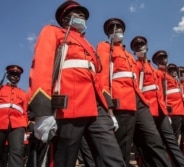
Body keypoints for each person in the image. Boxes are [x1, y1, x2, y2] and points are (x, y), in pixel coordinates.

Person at [27, 1, 125, 167]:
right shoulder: (53, 32)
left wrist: (110, 112)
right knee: (65, 159)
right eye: (77, 13)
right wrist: (42, 112)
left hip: (96, 107)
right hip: (70, 105)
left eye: (84, 15)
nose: (82, 16)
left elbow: (99, 80)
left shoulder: (89, 45)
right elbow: (42, 67)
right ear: (65, 19)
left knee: (113, 157)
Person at [96, 18, 172, 167]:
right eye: (112, 29)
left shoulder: (129, 55)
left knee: (154, 140)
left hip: (140, 101)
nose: (116, 31)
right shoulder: (105, 47)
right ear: (107, 34)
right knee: (122, 147)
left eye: (119, 28)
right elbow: (102, 78)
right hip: (121, 101)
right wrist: (109, 110)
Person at [131, 36, 184, 167]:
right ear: (134, 51)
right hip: (147, 110)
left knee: (171, 142)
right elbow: (137, 88)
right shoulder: (135, 65)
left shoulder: (153, 69)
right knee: (152, 143)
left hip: (161, 110)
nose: (140, 47)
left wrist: (166, 112)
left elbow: (161, 93)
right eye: (136, 46)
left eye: (142, 44)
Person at [0, 65, 28, 167]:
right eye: (12, 74)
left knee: (17, 152)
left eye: (17, 75)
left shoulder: (23, 93)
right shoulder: (1, 89)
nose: (15, 77)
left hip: (18, 124)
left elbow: (25, 111)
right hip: (0, 122)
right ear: (7, 75)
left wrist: (24, 127)